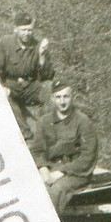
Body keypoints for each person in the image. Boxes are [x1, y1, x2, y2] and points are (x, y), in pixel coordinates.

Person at [29, 80, 99, 214]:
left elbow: (88, 157)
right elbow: (37, 150)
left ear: (72, 97)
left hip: (76, 174)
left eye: (66, 96)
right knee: (29, 188)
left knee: (56, 191)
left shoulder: (83, 122)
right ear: (52, 99)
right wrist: (43, 169)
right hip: (50, 170)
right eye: (58, 97)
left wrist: (61, 172)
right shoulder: (44, 121)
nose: (62, 102)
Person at [0, 11, 54, 138]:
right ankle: (26, 133)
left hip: (30, 87)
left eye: (29, 30)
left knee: (49, 89)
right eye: (23, 30)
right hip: (11, 85)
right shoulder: (5, 43)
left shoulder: (38, 45)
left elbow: (47, 76)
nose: (27, 34)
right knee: (2, 95)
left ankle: (49, 131)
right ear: (15, 29)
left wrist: (42, 56)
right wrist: (1, 86)